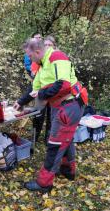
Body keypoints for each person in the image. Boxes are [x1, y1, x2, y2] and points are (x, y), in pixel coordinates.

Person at [14, 39, 84, 192]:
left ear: (38, 52)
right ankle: (67, 170)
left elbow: (64, 86)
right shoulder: (43, 65)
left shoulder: (57, 58)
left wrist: (41, 94)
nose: (29, 59)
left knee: (55, 145)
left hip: (70, 105)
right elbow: (35, 87)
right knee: (66, 140)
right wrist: (21, 102)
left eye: (30, 56)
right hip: (59, 106)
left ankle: (44, 183)